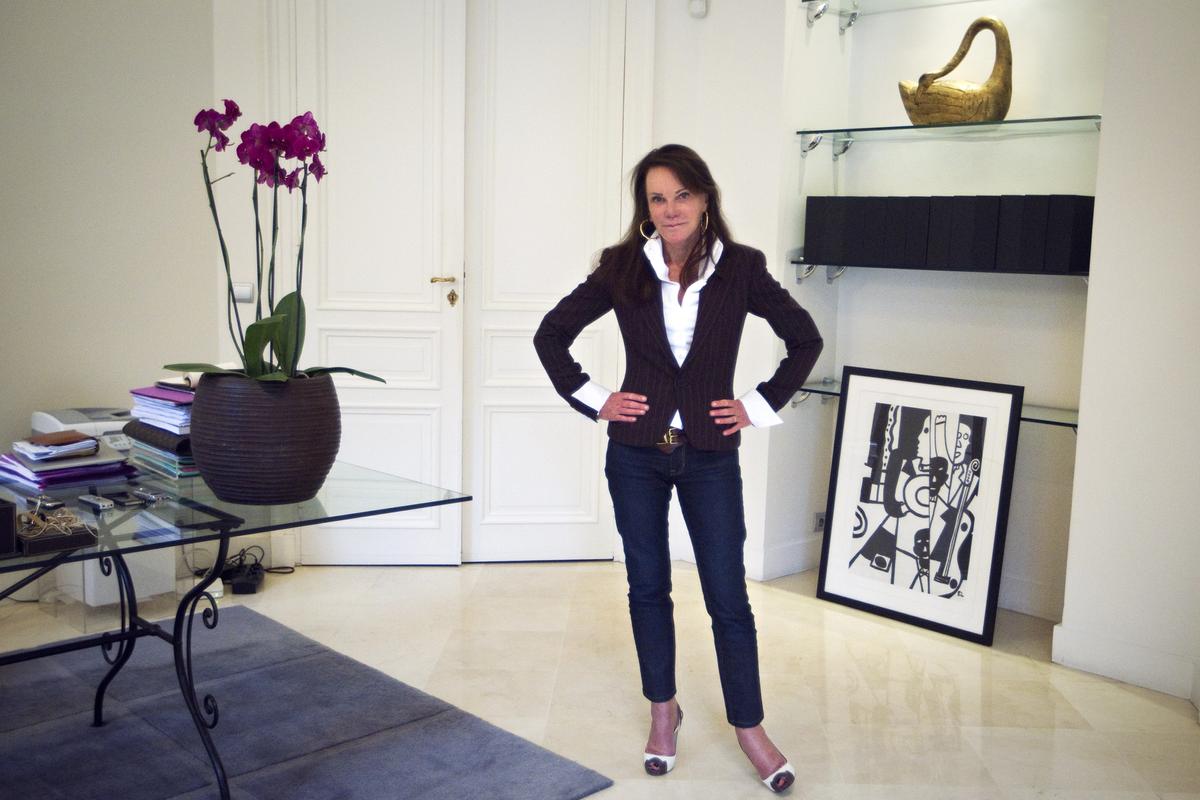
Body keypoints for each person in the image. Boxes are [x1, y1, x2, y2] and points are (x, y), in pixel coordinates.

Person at [534, 144, 823, 793]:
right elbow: (551, 334)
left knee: (728, 597)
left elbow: (804, 340)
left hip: (710, 458)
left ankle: (749, 728)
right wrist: (595, 398)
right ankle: (663, 712)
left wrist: (755, 406)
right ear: (647, 207)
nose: (670, 209)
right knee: (647, 586)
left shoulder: (741, 269)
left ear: (704, 199)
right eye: (657, 198)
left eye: (681, 196)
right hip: (636, 452)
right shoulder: (621, 268)